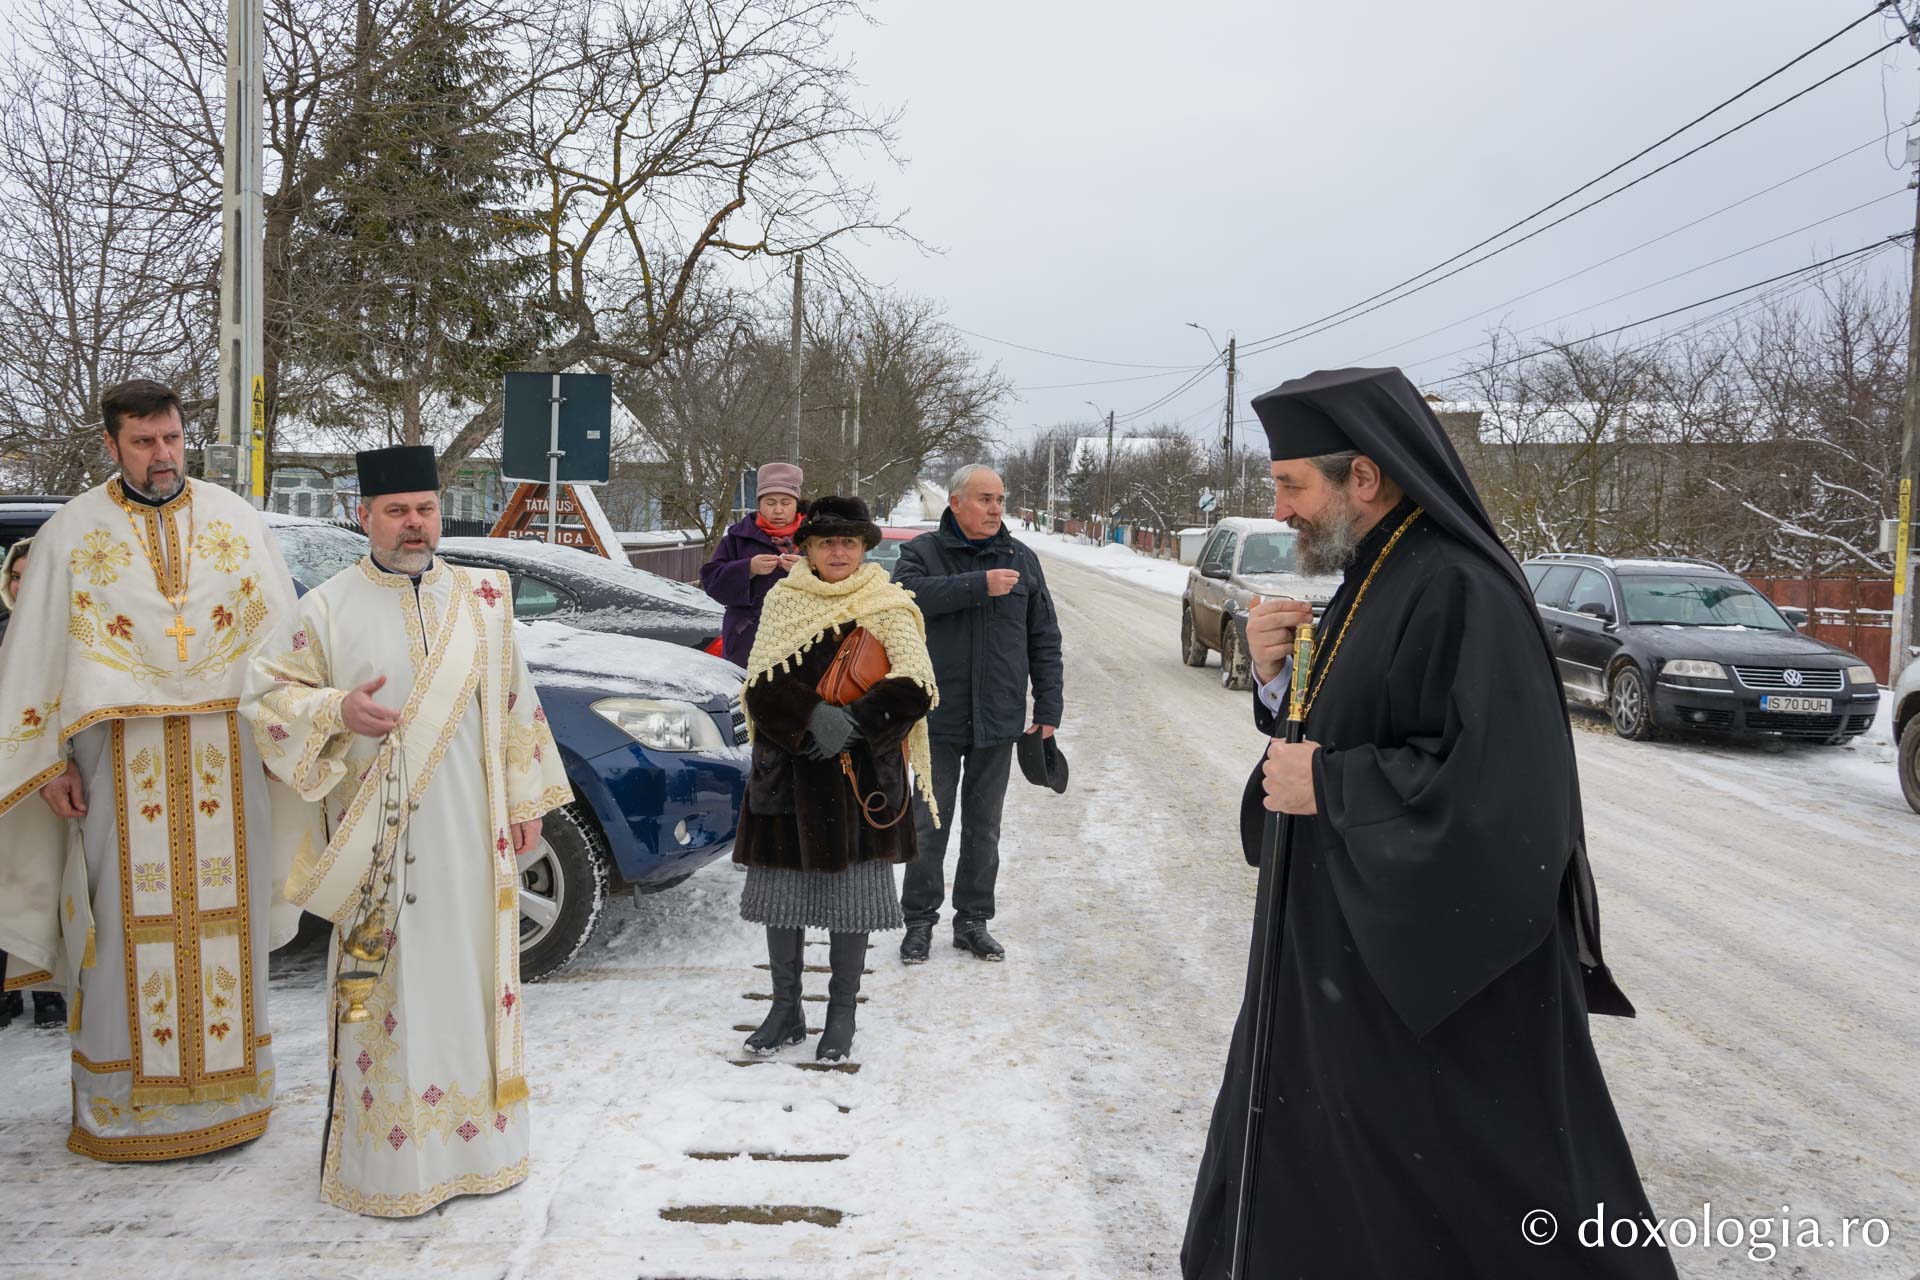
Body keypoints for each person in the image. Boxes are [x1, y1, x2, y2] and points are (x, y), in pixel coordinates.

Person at [1182, 367, 1674, 1279]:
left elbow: (1500, 788)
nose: (1280, 509)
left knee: (1466, 1196)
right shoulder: (1384, 569)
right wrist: (1278, 682)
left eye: (1292, 485)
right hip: (1344, 951)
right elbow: (1363, 719)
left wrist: (1332, 786)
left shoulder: (1459, 586)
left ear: (1361, 478)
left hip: (1425, 973)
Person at [242, 444, 571, 1217]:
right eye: (396, 511)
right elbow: (266, 701)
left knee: (470, 984)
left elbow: (518, 704)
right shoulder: (324, 607)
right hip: (378, 845)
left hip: (473, 836)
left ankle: (478, 1150)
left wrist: (529, 806)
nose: (414, 523)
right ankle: (389, 1167)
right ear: (364, 517)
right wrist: (335, 712)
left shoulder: (486, 598)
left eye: (424, 508)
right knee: (390, 998)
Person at [0, 379, 301, 1160]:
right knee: (124, 927)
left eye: (171, 438)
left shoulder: (236, 521)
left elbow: (283, 645)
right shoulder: (72, 532)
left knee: (226, 919)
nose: (162, 455)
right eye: (143, 442)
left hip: (226, 760)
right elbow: (34, 658)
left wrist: (284, 738)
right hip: (115, 769)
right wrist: (49, 762)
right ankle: (126, 1106)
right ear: (112, 444)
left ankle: (232, 1096)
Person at [734, 495, 937, 1063]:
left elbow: (918, 685)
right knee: (783, 902)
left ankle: (841, 1014)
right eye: (827, 542)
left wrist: (855, 723)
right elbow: (759, 686)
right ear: (808, 549)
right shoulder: (783, 600)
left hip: (858, 779)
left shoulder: (889, 604)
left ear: (865, 548)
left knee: (853, 904)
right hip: (789, 779)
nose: (839, 551)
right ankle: (785, 1009)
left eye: (849, 541)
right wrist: (809, 717)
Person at [891, 465, 1062, 964]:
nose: (994, 509)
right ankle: (919, 922)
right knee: (929, 824)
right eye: (984, 499)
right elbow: (904, 600)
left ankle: (972, 922)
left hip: (999, 718)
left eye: (1000, 500)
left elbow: (1044, 638)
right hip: (937, 718)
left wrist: (1048, 705)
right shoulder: (921, 554)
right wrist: (977, 584)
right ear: (955, 502)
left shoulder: (1022, 559)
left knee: (985, 826)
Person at [0, 537, 68, 1031]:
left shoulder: (62, 634)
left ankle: (48, 991)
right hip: (9, 772)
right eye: (16, 576)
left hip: (47, 774)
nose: (23, 585)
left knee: (45, 879)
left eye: (32, 575)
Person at [699, 462, 807, 666]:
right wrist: (747, 568)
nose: (778, 510)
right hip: (746, 643)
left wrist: (807, 572)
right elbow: (711, 583)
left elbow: (837, 585)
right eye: (770, 502)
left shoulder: (815, 539)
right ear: (759, 504)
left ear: (796, 505)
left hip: (801, 644)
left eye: (786, 502)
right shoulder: (738, 538)